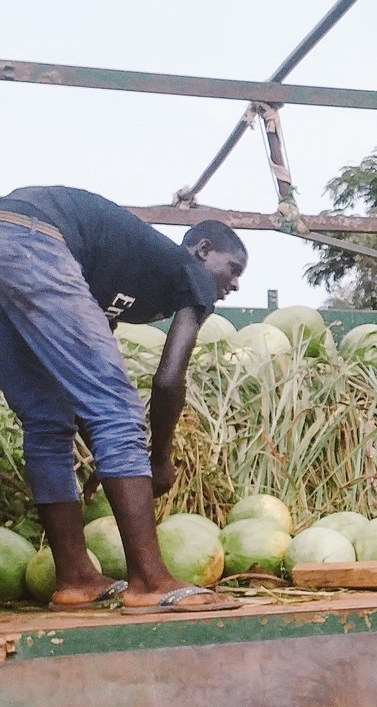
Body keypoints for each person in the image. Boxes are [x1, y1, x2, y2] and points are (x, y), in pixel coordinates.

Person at [0, 185, 247, 613]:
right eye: (234, 267)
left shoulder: (121, 276)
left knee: (48, 421)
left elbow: (82, 389)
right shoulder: (188, 272)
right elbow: (168, 381)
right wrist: (159, 460)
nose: (237, 283)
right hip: (35, 235)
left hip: (15, 236)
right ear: (203, 250)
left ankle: (75, 578)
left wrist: (107, 455)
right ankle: (151, 581)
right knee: (119, 409)